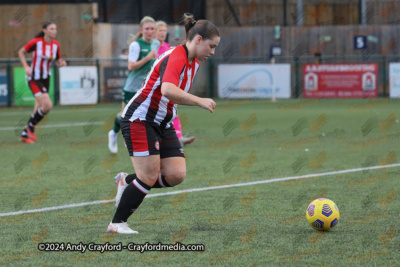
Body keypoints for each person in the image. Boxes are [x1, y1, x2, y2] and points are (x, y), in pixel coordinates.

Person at [107, 13, 220, 234]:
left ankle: (126, 181)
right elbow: (168, 90)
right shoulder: (177, 56)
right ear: (198, 40)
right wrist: (199, 100)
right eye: (211, 46)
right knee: (148, 176)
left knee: (176, 175)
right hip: (140, 118)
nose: (213, 51)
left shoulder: (194, 60)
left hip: (162, 121)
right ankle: (117, 223)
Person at [108, 16, 160, 153]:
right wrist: (147, 58)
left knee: (146, 114)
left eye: (152, 28)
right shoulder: (136, 45)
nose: (150, 31)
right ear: (142, 30)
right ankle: (113, 133)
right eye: (147, 28)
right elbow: (131, 67)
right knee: (124, 115)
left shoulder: (156, 44)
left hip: (146, 87)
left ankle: (146, 141)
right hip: (132, 87)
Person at [18, 21, 67, 143]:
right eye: (51, 29)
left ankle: (25, 134)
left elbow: (58, 61)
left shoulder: (56, 45)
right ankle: (30, 127)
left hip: (46, 79)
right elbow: (21, 52)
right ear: (44, 30)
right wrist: (26, 67)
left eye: (55, 29)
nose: (54, 31)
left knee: (39, 107)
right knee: (47, 105)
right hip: (34, 78)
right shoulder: (36, 42)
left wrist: (62, 64)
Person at [155, 20, 195, 146]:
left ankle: (178, 137)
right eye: (160, 30)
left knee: (173, 110)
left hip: (166, 83)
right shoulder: (153, 46)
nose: (162, 33)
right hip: (155, 85)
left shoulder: (167, 46)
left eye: (164, 30)